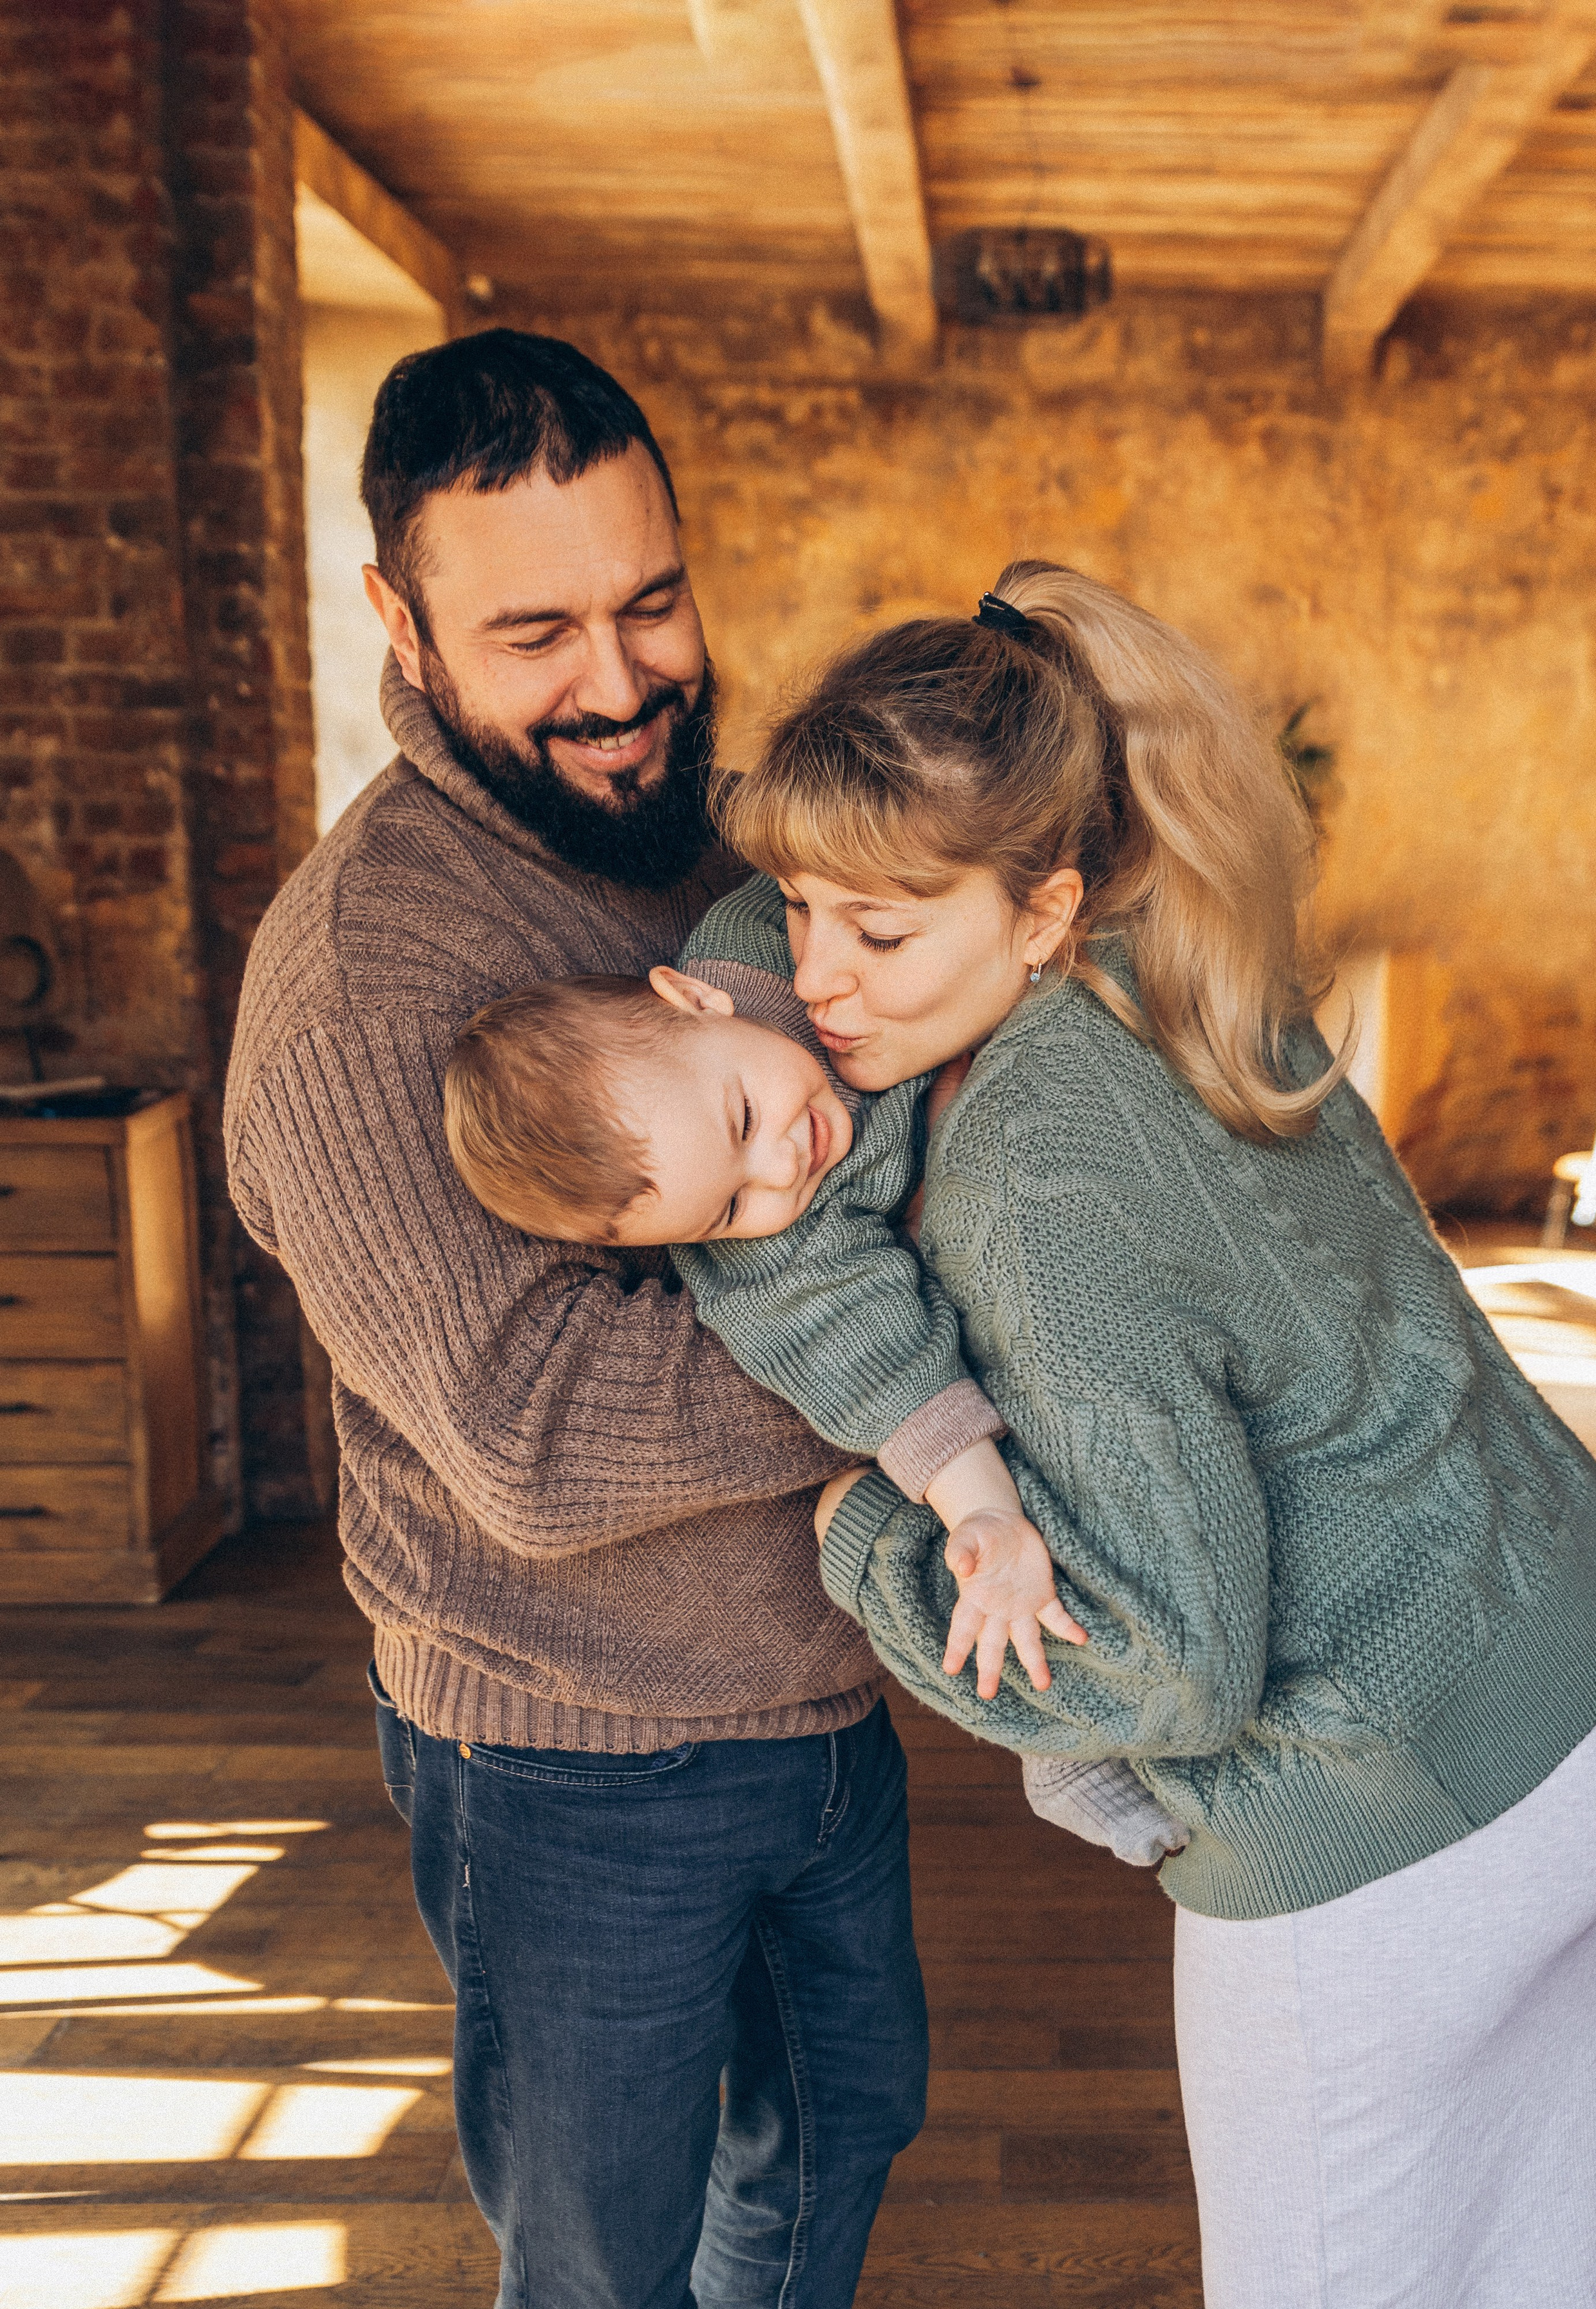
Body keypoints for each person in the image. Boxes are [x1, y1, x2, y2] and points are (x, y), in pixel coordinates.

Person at [527, 561, 1596, 2309]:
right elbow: (776, 941)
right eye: (802, 909)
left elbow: (1169, 1666)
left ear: (1038, 912)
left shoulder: (1037, 1186)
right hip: (1584, 1677)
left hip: (1395, 1820)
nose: (817, 977)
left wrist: (865, 1541)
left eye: (880, 934)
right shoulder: (1162, 921)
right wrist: (800, 954)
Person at [224, 328, 935, 2309]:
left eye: (652, 601)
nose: (622, 685)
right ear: (401, 620)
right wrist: (944, 1355)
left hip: (816, 1697)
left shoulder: (693, 840)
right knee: (599, 2253)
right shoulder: (367, 979)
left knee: (847, 2122)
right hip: (573, 1768)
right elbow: (536, 1436)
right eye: (536, 632)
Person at [438, 944, 1186, 1868]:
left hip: (1057, 1157)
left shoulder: (778, 944)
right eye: (729, 1207)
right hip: (959, 1333)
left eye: (745, 1115)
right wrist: (984, 1511)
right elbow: (882, 1370)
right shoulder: (774, 1262)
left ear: (697, 998)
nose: (782, 1168)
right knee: (1013, 1517)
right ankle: (1060, 1736)